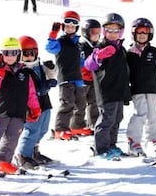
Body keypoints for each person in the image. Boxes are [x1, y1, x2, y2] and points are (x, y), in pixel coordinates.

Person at [0, 37, 41, 177]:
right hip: (1, 112)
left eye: (13, 53)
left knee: (12, 139)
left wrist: (35, 107)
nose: (10, 56)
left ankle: (4, 162)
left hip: (18, 112)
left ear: (18, 54)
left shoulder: (25, 72)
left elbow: (31, 92)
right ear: (1, 55)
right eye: (7, 53)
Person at [125, 18, 156, 157]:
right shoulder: (129, 53)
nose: (142, 34)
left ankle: (153, 140)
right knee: (141, 114)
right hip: (137, 89)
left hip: (152, 89)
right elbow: (126, 73)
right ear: (133, 34)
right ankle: (133, 141)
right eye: (139, 32)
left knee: (152, 115)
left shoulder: (155, 52)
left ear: (150, 34)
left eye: (145, 32)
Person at [84, 13, 131, 160]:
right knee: (106, 119)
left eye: (116, 31)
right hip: (106, 91)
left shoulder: (121, 49)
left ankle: (111, 145)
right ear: (104, 31)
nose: (112, 34)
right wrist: (99, 56)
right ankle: (101, 148)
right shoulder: (101, 47)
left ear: (121, 32)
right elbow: (89, 64)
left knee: (117, 118)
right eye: (109, 30)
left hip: (119, 90)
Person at [46, 10, 91, 140]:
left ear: (77, 27)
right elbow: (50, 47)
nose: (70, 28)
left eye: (73, 25)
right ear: (63, 26)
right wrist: (53, 34)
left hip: (78, 78)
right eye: (67, 25)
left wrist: (91, 63)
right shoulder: (60, 42)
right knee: (67, 103)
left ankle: (77, 126)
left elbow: (81, 61)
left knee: (81, 103)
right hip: (65, 78)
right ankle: (60, 129)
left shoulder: (77, 43)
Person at [14, 35, 58, 169]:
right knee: (32, 130)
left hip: (44, 103)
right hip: (31, 105)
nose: (29, 56)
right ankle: (23, 155)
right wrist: (41, 89)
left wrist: (52, 69)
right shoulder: (20, 70)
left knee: (43, 129)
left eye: (32, 53)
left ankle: (34, 151)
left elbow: (51, 75)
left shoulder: (39, 65)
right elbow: (23, 89)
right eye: (25, 53)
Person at [79, 19, 101, 132]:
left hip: (93, 80)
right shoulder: (82, 47)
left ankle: (94, 123)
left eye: (98, 32)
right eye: (94, 32)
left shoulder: (97, 46)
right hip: (83, 80)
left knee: (94, 103)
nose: (96, 35)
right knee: (80, 104)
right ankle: (75, 124)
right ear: (86, 33)